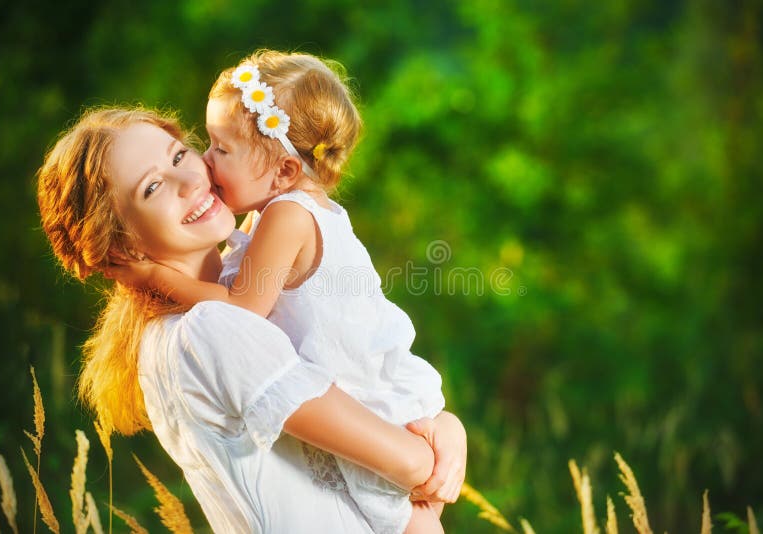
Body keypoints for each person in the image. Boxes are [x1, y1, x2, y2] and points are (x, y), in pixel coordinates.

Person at [37, 107, 467, 533]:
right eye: (152, 188)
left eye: (178, 156)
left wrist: (444, 426)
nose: (189, 180)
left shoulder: (226, 294)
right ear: (122, 250)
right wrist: (441, 436)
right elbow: (412, 466)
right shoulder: (208, 329)